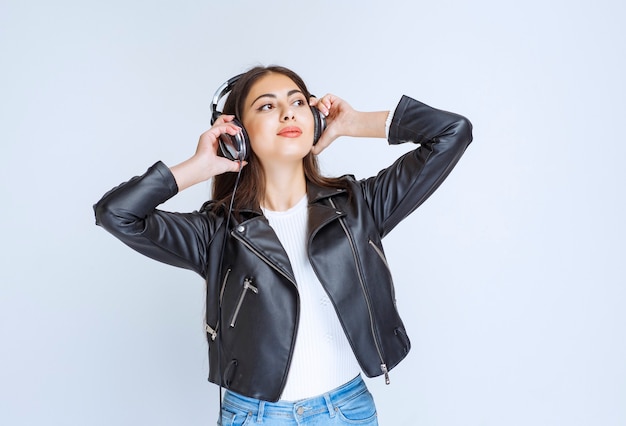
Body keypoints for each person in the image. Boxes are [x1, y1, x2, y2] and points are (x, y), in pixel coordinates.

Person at [94, 65, 473, 425]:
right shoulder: (215, 233)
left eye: (298, 103)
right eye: (267, 106)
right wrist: (200, 165)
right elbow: (117, 213)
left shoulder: (360, 206)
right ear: (237, 135)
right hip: (255, 416)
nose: (288, 114)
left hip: (348, 410)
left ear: (316, 120)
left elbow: (453, 132)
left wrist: (353, 122)